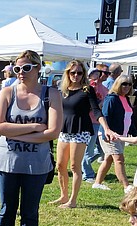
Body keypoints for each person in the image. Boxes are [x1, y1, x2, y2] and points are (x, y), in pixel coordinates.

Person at [0, 50, 62, 226]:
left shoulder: (51, 94)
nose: (21, 73)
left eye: (26, 68)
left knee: (30, 212)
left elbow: (53, 131)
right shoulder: (7, 92)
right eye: (17, 69)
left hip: (36, 165)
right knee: (5, 210)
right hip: (7, 162)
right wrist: (33, 128)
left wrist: (16, 133)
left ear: (38, 68)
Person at [51, 61, 117, 209]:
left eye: (79, 73)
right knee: (60, 165)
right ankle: (63, 196)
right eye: (72, 72)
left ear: (84, 74)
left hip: (81, 130)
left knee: (74, 166)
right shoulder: (63, 90)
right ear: (67, 73)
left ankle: (72, 201)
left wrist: (106, 128)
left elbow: (96, 110)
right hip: (65, 129)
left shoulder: (87, 90)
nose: (76, 75)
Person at [92, 75, 134, 192]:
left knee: (109, 159)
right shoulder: (112, 99)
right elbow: (104, 116)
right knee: (119, 159)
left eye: (129, 84)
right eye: (124, 84)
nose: (127, 86)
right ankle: (126, 186)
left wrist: (136, 134)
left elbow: (129, 118)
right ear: (118, 85)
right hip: (109, 135)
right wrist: (107, 132)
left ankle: (97, 183)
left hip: (120, 135)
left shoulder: (126, 99)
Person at [81, 67, 110, 182]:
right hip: (90, 121)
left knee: (102, 150)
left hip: (101, 122)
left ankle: (82, 164)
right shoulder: (89, 87)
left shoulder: (105, 89)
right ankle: (87, 174)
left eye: (108, 73)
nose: (97, 76)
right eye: (94, 74)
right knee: (89, 150)